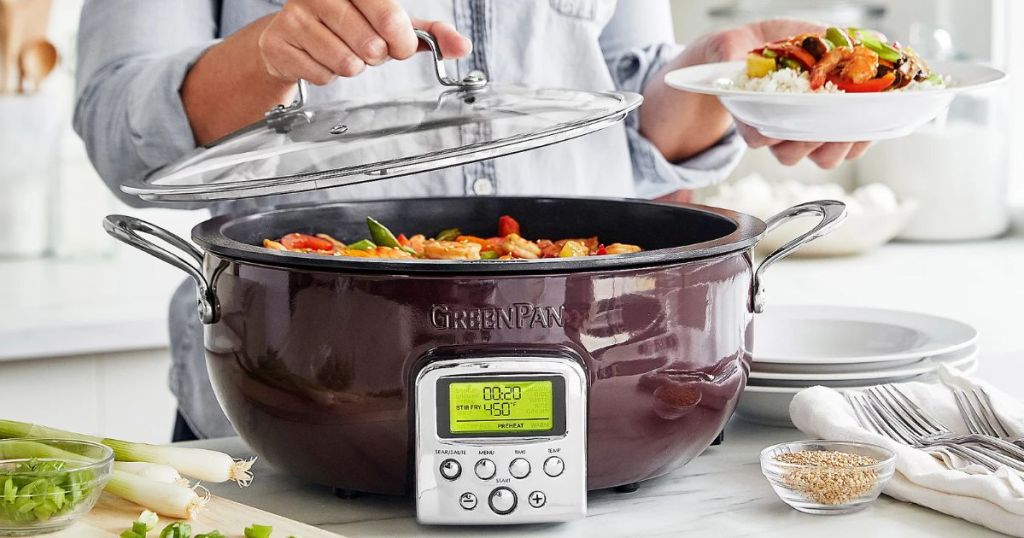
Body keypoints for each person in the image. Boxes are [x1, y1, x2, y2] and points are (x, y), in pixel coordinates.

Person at [74, 0, 868, 441]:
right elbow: (119, 131)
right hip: (303, 392)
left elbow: (635, 127)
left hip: (597, 385)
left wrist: (722, 72)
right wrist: (268, 55)